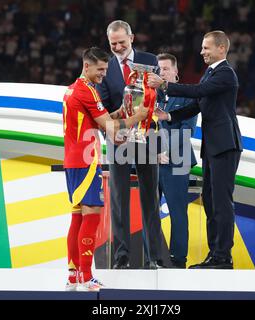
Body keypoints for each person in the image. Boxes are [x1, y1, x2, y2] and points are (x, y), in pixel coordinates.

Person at [149, 31, 242, 269]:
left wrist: (166, 85)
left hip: (225, 145)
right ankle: (215, 255)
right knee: (211, 201)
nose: (202, 52)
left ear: (221, 48)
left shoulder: (226, 74)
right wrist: (168, 114)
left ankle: (223, 257)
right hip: (214, 146)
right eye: (202, 48)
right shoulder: (210, 74)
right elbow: (196, 106)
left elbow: (198, 93)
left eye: (206, 48)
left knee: (221, 202)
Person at [63, 47, 148, 291]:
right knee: (92, 214)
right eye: (100, 69)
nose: (103, 74)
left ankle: (74, 276)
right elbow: (110, 128)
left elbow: (97, 120)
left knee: (78, 216)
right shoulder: (86, 91)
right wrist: (138, 116)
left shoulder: (75, 89)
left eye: (106, 69)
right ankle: (87, 276)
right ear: (86, 66)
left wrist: (120, 112)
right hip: (85, 161)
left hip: (75, 159)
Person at [97, 20, 165, 269]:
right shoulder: (106, 67)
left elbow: (160, 97)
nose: (117, 47)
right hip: (119, 140)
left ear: (132, 38)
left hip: (146, 138)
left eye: (121, 43)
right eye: (113, 43)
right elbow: (102, 107)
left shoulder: (150, 61)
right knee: (119, 200)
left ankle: (155, 257)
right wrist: (115, 129)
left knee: (150, 198)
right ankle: (122, 257)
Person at [156, 53, 197, 269]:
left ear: (175, 73)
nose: (160, 72)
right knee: (148, 212)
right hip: (151, 162)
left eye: (164, 69)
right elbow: (141, 128)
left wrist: (166, 151)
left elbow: (187, 129)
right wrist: (153, 153)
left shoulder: (187, 96)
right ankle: (153, 257)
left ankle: (178, 260)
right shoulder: (148, 96)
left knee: (178, 212)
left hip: (177, 161)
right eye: (158, 69)